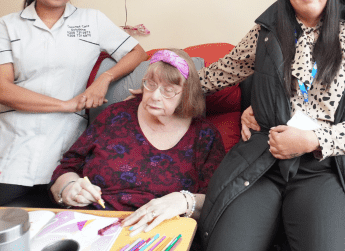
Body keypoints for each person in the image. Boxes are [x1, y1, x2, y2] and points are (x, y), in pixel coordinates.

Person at [197, 0, 345, 251]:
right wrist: (169, 85)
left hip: (323, 167)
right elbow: (220, 72)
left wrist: (314, 140)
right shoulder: (267, 33)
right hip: (264, 158)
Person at [0, 0, 147, 207]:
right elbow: (4, 89)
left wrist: (105, 79)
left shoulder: (91, 20)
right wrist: (66, 104)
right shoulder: (8, 25)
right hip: (14, 138)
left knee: (64, 217)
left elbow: (137, 52)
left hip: (66, 138)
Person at [49, 49, 225, 233]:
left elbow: (219, 200)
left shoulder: (205, 135)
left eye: (168, 90)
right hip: (92, 226)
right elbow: (67, 167)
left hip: (159, 233)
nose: (155, 96)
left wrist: (185, 201)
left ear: (186, 94)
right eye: (150, 84)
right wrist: (68, 188)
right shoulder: (115, 115)